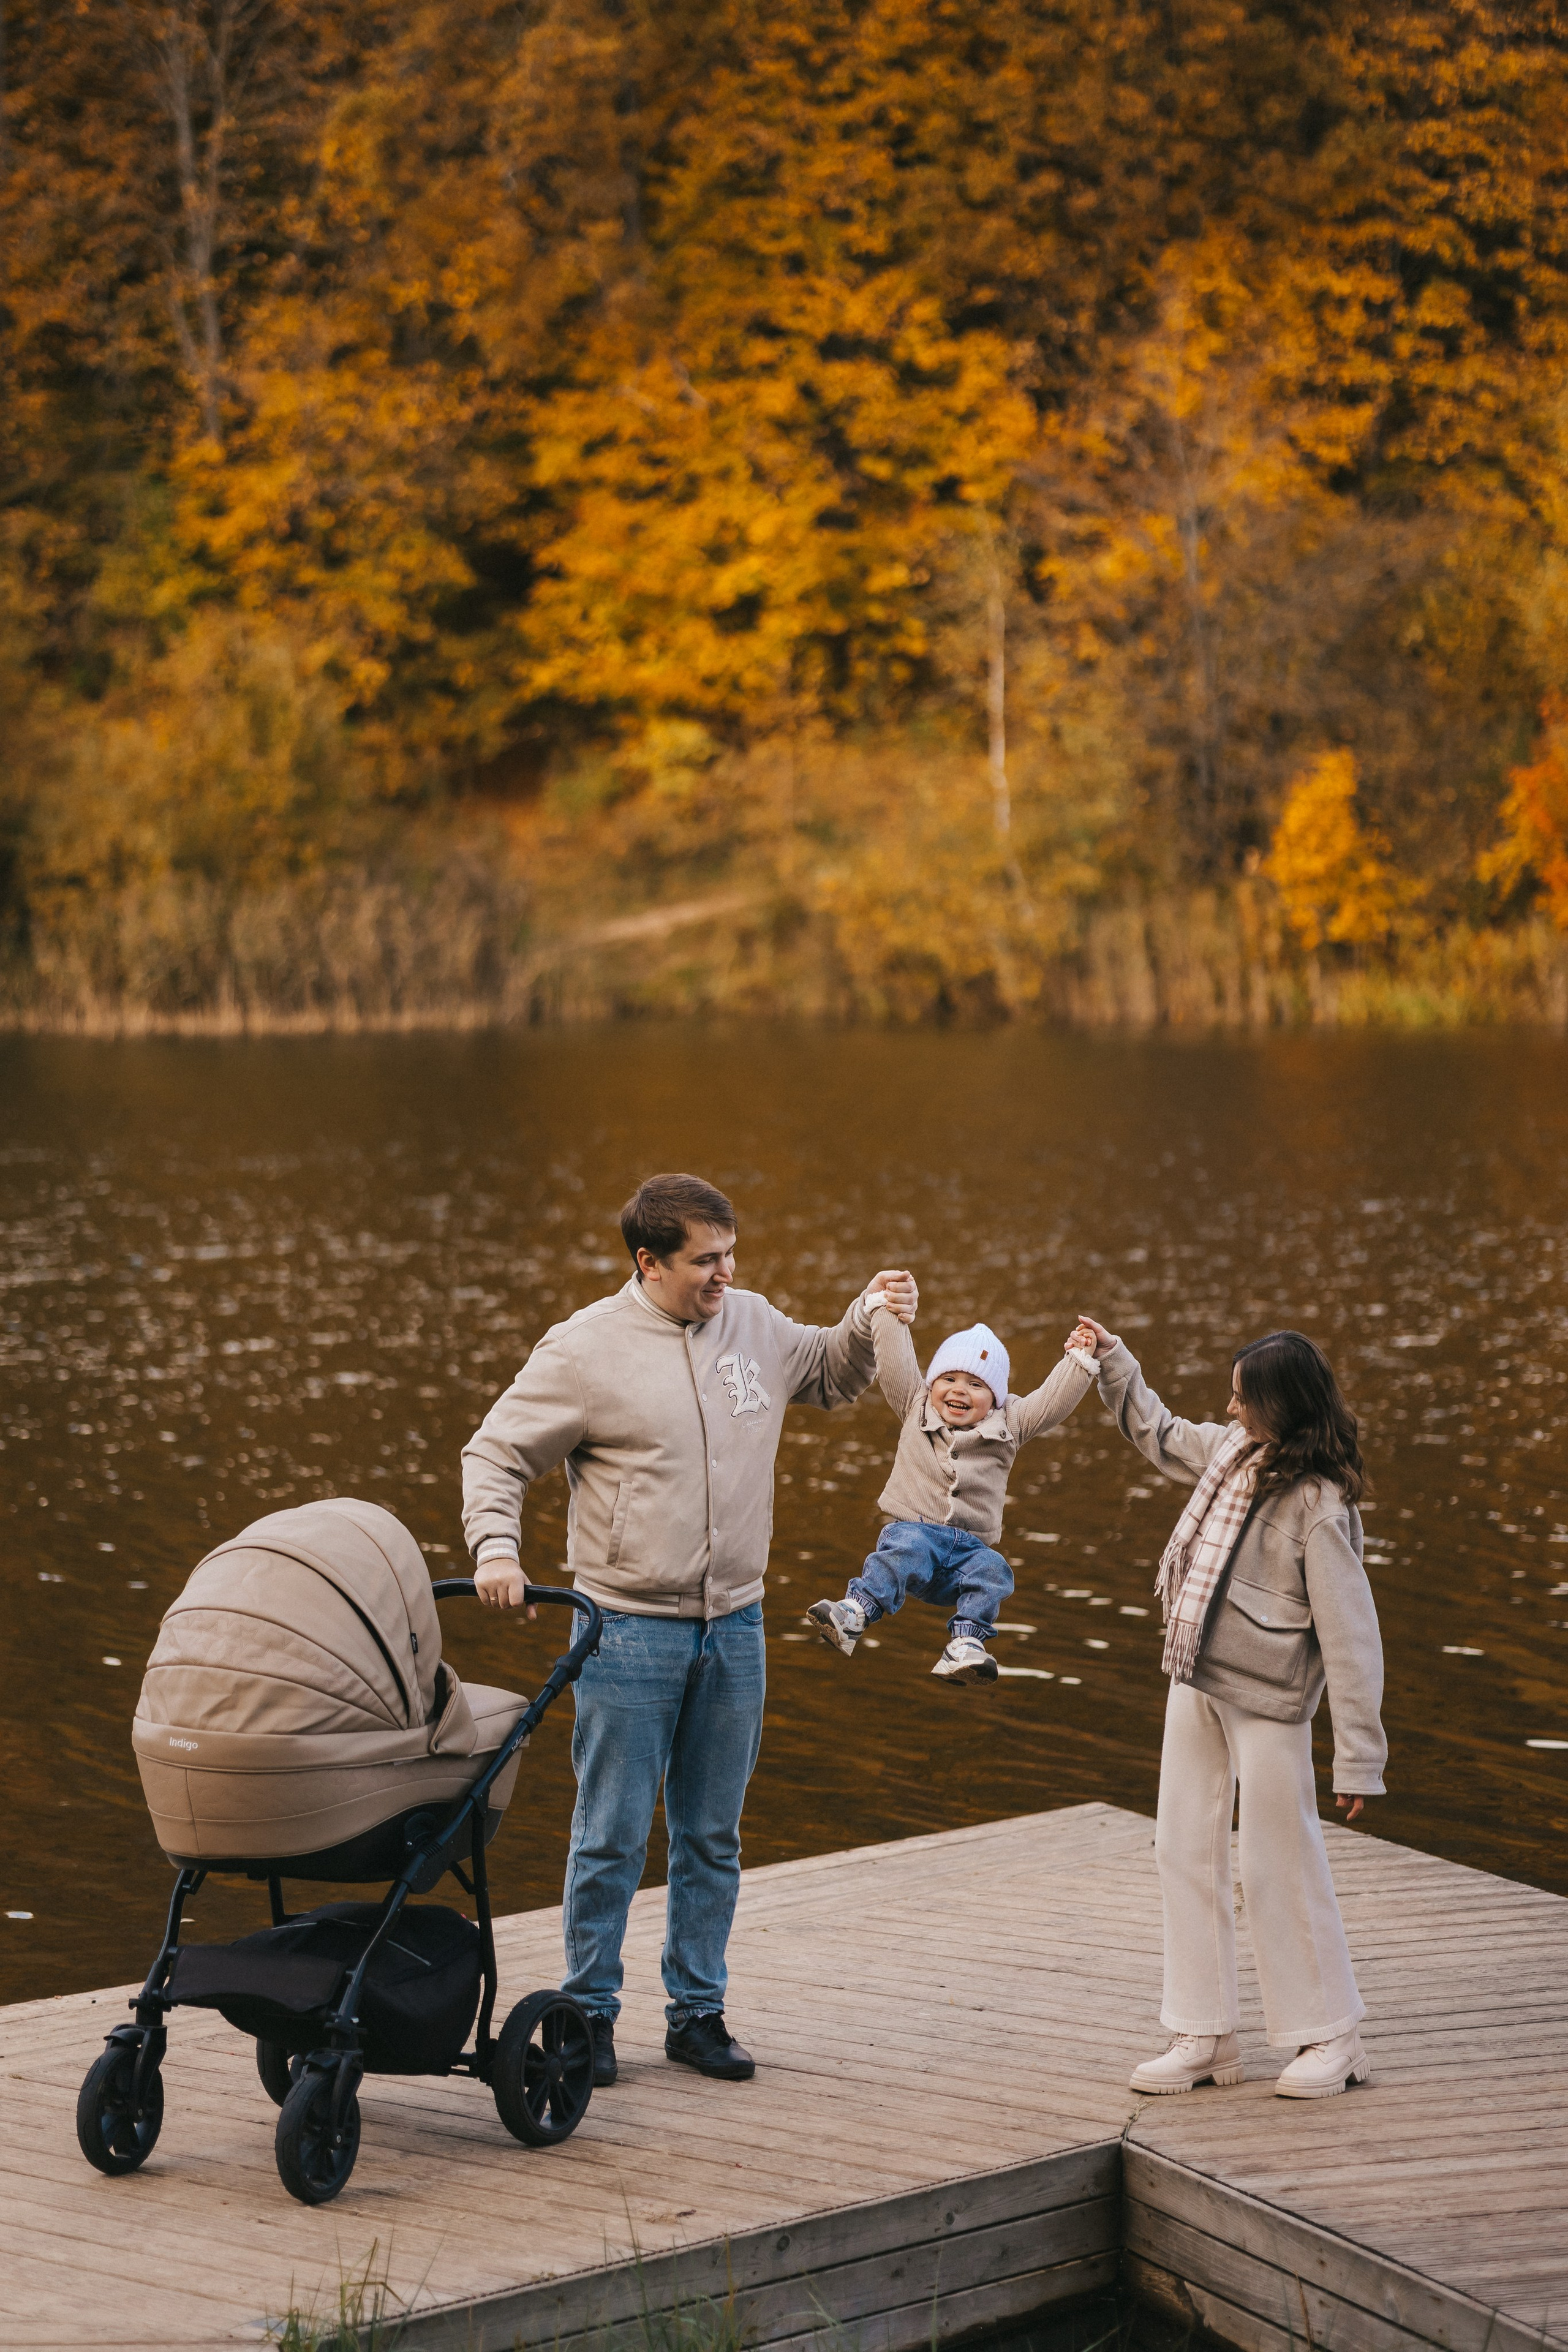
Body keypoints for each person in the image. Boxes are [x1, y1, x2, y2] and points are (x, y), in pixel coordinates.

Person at [461, 1170, 916, 2089]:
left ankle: (697, 2014)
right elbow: (497, 1453)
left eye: (730, 1255)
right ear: (649, 1261)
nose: (725, 1274)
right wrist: (496, 1550)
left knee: (712, 1836)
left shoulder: (751, 1321)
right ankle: (587, 2015)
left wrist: (867, 1315)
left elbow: (829, 1373)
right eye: (705, 1261)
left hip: (735, 1629)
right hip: (627, 1632)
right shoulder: (584, 1349)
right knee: (612, 1835)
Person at [1068, 1314, 1386, 2100]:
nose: (1232, 1408)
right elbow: (1157, 1428)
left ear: (1283, 1406)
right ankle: (1204, 2031)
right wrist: (1114, 1362)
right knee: (1182, 1848)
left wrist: (1358, 1756)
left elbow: (1352, 1639)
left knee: (1277, 1861)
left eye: (1245, 1398)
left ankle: (1330, 2035)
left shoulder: (1319, 1503)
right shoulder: (1229, 1455)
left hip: (1271, 1700)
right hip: (1195, 1677)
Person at [809, 1298, 1097, 1684]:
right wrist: (885, 1308)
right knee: (904, 1548)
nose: (959, 1391)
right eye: (949, 1379)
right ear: (932, 1384)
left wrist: (1079, 1359)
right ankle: (855, 1613)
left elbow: (1052, 1403)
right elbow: (895, 1360)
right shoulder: (916, 1405)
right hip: (916, 1538)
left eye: (976, 1385)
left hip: (967, 1555)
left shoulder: (1009, 1425)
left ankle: (964, 1645)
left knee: (995, 1571)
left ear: (994, 1397)